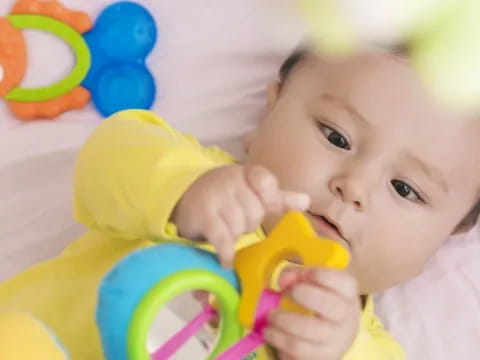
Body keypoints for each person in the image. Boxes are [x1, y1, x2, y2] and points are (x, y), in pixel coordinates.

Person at [0, 47, 479, 360]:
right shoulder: (190, 174)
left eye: (405, 189)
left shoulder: (362, 345)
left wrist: (341, 346)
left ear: (447, 236)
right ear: (270, 111)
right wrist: (187, 192)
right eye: (336, 136)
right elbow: (107, 161)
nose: (354, 187)